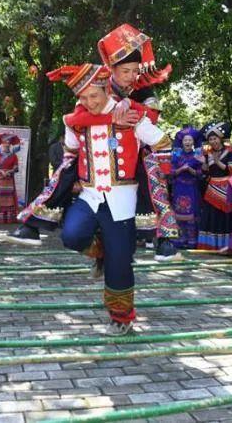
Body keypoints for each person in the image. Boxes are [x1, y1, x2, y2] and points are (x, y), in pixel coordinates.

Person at [10, 24, 178, 262]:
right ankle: (33, 224)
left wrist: (130, 105)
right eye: (125, 71)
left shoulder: (143, 90)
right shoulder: (96, 85)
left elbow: (151, 118)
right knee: (65, 170)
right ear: (112, 69)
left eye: (135, 71)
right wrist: (112, 116)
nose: (131, 76)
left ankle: (164, 239)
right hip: (93, 150)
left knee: (153, 176)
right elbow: (77, 118)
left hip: (134, 149)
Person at [51, 63, 172, 336]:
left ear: (106, 89)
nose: (89, 102)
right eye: (83, 98)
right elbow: (70, 152)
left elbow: (162, 142)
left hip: (122, 201)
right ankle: (101, 250)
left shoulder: (131, 115)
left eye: (94, 95)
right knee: (71, 235)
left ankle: (121, 317)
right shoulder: (74, 121)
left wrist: (154, 172)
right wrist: (72, 176)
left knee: (120, 264)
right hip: (90, 195)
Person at [198, 121, 232, 250]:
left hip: (226, 187)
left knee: (224, 216)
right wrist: (204, 165)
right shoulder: (207, 153)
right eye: (210, 139)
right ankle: (211, 244)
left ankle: (225, 245)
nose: (213, 141)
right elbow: (205, 171)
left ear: (220, 138)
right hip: (212, 187)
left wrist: (216, 161)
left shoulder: (229, 152)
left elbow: (231, 170)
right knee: (211, 215)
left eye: (215, 138)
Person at [170, 126, 204, 249]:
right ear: (182, 142)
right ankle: (181, 238)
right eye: (185, 140)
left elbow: (201, 174)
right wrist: (181, 169)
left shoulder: (198, 155)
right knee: (179, 213)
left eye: (190, 140)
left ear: (193, 142)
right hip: (179, 187)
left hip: (192, 188)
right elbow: (171, 172)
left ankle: (192, 239)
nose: (188, 142)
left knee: (192, 214)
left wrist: (190, 169)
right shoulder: (176, 155)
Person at [0, 133, 20, 224]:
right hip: (0, 179)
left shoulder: (14, 156)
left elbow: (16, 168)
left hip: (9, 179)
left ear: (10, 145)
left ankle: (9, 218)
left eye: (8, 143)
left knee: (10, 198)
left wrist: (9, 171)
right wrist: (1, 171)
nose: (6, 145)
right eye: (4, 143)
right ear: (1, 144)